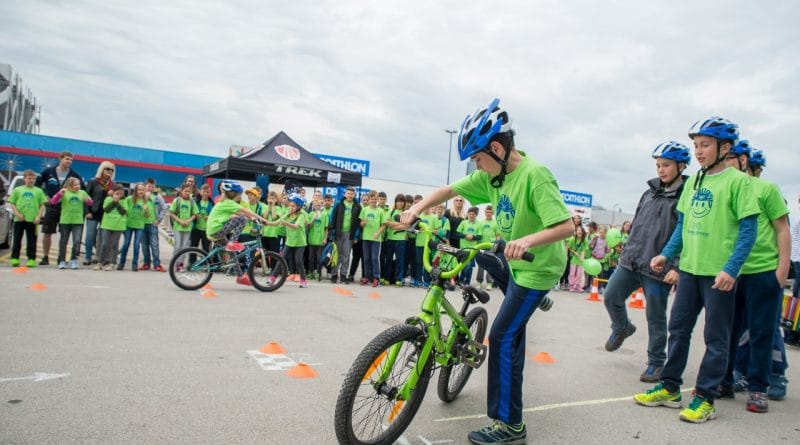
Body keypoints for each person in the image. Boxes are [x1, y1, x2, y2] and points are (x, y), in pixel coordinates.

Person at [401, 98, 573, 444]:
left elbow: (567, 226)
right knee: (483, 258)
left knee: (503, 337)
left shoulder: (535, 176)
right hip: (514, 266)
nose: (475, 166)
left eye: (478, 158)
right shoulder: (493, 178)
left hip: (537, 269)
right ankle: (525, 306)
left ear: (496, 148)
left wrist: (526, 240)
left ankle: (511, 427)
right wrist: (417, 208)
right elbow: (450, 190)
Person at [634, 116, 759, 423]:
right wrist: (666, 254)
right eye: (696, 146)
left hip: (719, 275)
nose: (699, 151)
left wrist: (732, 269)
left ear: (724, 147)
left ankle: (705, 398)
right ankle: (670, 387)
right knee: (678, 330)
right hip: (689, 270)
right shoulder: (694, 181)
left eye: (705, 145)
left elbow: (748, 231)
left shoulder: (738, 182)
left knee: (716, 338)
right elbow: (684, 225)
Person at [602, 141, 689, 383]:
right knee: (610, 296)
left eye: (667, 165)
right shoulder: (649, 192)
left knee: (656, 317)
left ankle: (655, 363)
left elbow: (686, 233)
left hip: (659, 267)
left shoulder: (685, 196)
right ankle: (622, 327)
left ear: (681, 166)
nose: (661, 170)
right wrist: (627, 249)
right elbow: (638, 223)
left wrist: (676, 266)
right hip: (631, 261)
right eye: (659, 165)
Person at [719, 143, 790, 411]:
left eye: (730, 159)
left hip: (762, 270)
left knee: (762, 332)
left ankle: (759, 387)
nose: (725, 164)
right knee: (727, 330)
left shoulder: (766, 189)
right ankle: (725, 381)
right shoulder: (724, 189)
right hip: (730, 271)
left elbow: (782, 229)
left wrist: (781, 271)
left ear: (743, 159)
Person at [204, 180, 269, 286]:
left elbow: (238, 213)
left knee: (233, 252)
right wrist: (262, 219)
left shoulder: (225, 203)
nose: (241, 196)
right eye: (239, 194)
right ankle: (232, 242)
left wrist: (252, 219)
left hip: (214, 231)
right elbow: (246, 212)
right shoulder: (230, 203)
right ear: (233, 193)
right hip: (216, 230)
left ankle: (240, 277)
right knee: (242, 220)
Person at [36, 151, 84, 265]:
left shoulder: (74, 175)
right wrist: (44, 195)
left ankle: (60, 257)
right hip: (51, 207)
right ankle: (45, 257)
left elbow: (82, 189)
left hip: (66, 209)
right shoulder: (48, 172)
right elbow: (37, 184)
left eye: (71, 160)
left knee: (64, 235)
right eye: (67, 159)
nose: (69, 161)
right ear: (60, 159)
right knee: (47, 232)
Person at [50, 177, 93, 269]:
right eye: (75, 185)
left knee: (77, 241)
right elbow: (53, 202)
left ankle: (73, 260)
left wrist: (88, 200)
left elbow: (90, 202)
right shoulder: (64, 192)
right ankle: (62, 261)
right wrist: (59, 194)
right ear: (69, 186)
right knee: (64, 241)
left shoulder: (82, 193)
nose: (78, 186)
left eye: (78, 184)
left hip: (78, 221)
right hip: (65, 220)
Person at [8, 169, 47, 267]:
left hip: (33, 220)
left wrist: (39, 216)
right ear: (24, 179)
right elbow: (12, 203)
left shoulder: (39, 191)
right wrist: (17, 214)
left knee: (32, 241)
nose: (31, 180)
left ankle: (31, 259)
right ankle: (15, 258)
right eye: (29, 178)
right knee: (17, 239)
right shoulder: (18, 190)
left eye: (33, 178)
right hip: (19, 219)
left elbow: (42, 205)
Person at [83, 161, 115, 265]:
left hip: (106, 214)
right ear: (102, 169)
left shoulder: (113, 185)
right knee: (90, 236)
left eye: (111, 170)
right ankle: (87, 256)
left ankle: (100, 257)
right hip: (93, 212)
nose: (109, 171)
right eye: (107, 169)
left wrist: (112, 195)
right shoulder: (93, 181)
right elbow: (86, 197)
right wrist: (87, 211)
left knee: (103, 237)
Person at [330, 187, 362, 284]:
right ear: (345, 194)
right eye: (348, 193)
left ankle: (343, 275)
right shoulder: (338, 204)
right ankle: (334, 275)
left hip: (350, 234)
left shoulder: (357, 206)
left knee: (346, 255)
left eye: (352, 194)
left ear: (354, 195)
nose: (350, 195)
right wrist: (332, 232)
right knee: (336, 255)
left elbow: (359, 222)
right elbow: (332, 218)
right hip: (338, 234)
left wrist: (356, 236)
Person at [95, 184, 129, 271]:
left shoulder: (124, 201)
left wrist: (117, 202)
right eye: (117, 193)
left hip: (118, 225)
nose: (119, 195)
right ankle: (100, 262)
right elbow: (106, 209)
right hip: (107, 225)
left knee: (114, 244)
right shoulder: (108, 199)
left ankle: (112, 263)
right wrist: (113, 201)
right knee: (104, 244)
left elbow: (123, 212)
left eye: (121, 194)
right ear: (113, 193)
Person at [117, 183, 150, 271]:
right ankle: (121, 263)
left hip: (139, 226)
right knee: (126, 243)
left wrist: (146, 210)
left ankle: (134, 264)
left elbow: (147, 216)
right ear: (136, 190)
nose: (141, 191)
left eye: (143, 190)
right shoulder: (129, 199)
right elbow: (123, 207)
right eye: (139, 190)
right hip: (129, 224)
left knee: (136, 245)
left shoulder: (145, 201)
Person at [279, 194, 309, 288]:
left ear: (299, 207)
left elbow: (296, 226)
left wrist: (285, 223)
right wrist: (267, 223)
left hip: (300, 242)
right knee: (281, 258)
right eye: (290, 205)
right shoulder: (288, 213)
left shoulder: (302, 215)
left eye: (293, 206)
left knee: (298, 261)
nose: (290, 207)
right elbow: (278, 222)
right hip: (289, 241)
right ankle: (272, 277)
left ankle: (303, 280)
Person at [359, 191, 387, 287]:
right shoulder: (364, 210)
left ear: (377, 199)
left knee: (375, 258)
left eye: (375, 199)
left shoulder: (381, 211)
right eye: (372, 199)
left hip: (376, 239)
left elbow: (384, 225)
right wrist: (364, 223)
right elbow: (361, 224)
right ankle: (367, 277)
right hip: (366, 238)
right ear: (369, 200)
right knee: (366, 259)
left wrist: (378, 233)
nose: (373, 200)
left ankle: (376, 278)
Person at [140, 178, 167, 272]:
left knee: (154, 245)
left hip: (153, 224)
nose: (150, 188)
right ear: (145, 186)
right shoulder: (141, 195)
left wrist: (159, 219)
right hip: (142, 224)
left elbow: (164, 208)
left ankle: (157, 264)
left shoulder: (157, 197)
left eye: (152, 186)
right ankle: (146, 263)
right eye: (149, 186)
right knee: (144, 245)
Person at [383, 194, 408, 287]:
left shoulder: (406, 213)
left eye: (401, 201)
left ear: (404, 203)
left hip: (401, 240)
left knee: (399, 260)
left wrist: (394, 225)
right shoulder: (391, 211)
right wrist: (399, 225)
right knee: (388, 259)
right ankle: (387, 278)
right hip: (390, 239)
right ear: (395, 202)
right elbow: (387, 223)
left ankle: (398, 279)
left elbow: (406, 225)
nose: (400, 203)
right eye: (398, 201)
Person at [168, 184, 199, 254]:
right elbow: (171, 213)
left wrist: (189, 221)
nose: (187, 193)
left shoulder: (192, 202)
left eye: (189, 191)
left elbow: (195, 214)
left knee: (184, 247)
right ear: (181, 191)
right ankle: (175, 262)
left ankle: (180, 263)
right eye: (185, 191)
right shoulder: (177, 200)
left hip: (187, 227)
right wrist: (180, 221)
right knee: (178, 245)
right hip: (177, 227)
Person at [456, 206, 482, 287]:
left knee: (469, 266)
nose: (471, 216)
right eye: (470, 214)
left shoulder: (479, 224)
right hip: (463, 247)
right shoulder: (463, 223)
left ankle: (466, 281)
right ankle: (462, 280)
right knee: (465, 265)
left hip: (473, 249)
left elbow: (480, 236)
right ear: (468, 214)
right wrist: (465, 236)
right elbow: (457, 234)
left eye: (473, 214)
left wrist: (473, 237)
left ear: (475, 215)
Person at [476, 204, 500, 290]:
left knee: (490, 265)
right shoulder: (481, 223)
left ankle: (489, 283)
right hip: (481, 246)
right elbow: (478, 234)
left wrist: (496, 247)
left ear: (493, 213)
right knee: (481, 265)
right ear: (485, 212)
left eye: (490, 212)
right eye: (487, 212)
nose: (489, 213)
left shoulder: (495, 223)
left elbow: (498, 236)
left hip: (491, 246)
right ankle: (479, 282)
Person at [788, 193, 800, 347]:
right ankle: (792, 334)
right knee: (797, 298)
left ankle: (792, 334)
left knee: (796, 297)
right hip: (799, 260)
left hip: (797, 260)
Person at [306, 198, 328, 281]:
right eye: (316, 205)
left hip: (320, 240)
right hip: (312, 239)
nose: (317, 207)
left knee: (319, 258)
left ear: (321, 206)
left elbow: (326, 228)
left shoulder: (325, 215)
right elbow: (308, 226)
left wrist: (325, 238)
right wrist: (313, 218)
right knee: (311, 258)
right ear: (313, 206)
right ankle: (311, 273)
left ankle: (319, 273)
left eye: (319, 205)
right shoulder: (311, 214)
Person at [191, 184, 214, 254]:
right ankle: (192, 263)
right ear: (201, 192)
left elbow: (214, 216)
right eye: (204, 191)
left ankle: (205, 263)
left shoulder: (212, 204)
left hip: (206, 230)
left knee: (206, 249)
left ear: (210, 193)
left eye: (207, 192)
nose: (205, 193)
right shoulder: (195, 202)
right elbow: (190, 212)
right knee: (193, 248)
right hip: (196, 229)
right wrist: (195, 215)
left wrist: (209, 217)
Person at [567, 225, 590, 292]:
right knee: (572, 273)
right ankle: (571, 285)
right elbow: (569, 248)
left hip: (580, 259)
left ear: (583, 232)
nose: (579, 232)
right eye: (578, 230)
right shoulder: (572, 239)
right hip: (574, 258)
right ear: (576, 232)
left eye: (580, 230)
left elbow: (584, 249)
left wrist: (582, 255)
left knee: (579, 273)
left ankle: (577, 286)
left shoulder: (584, 240)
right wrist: (575, 252)